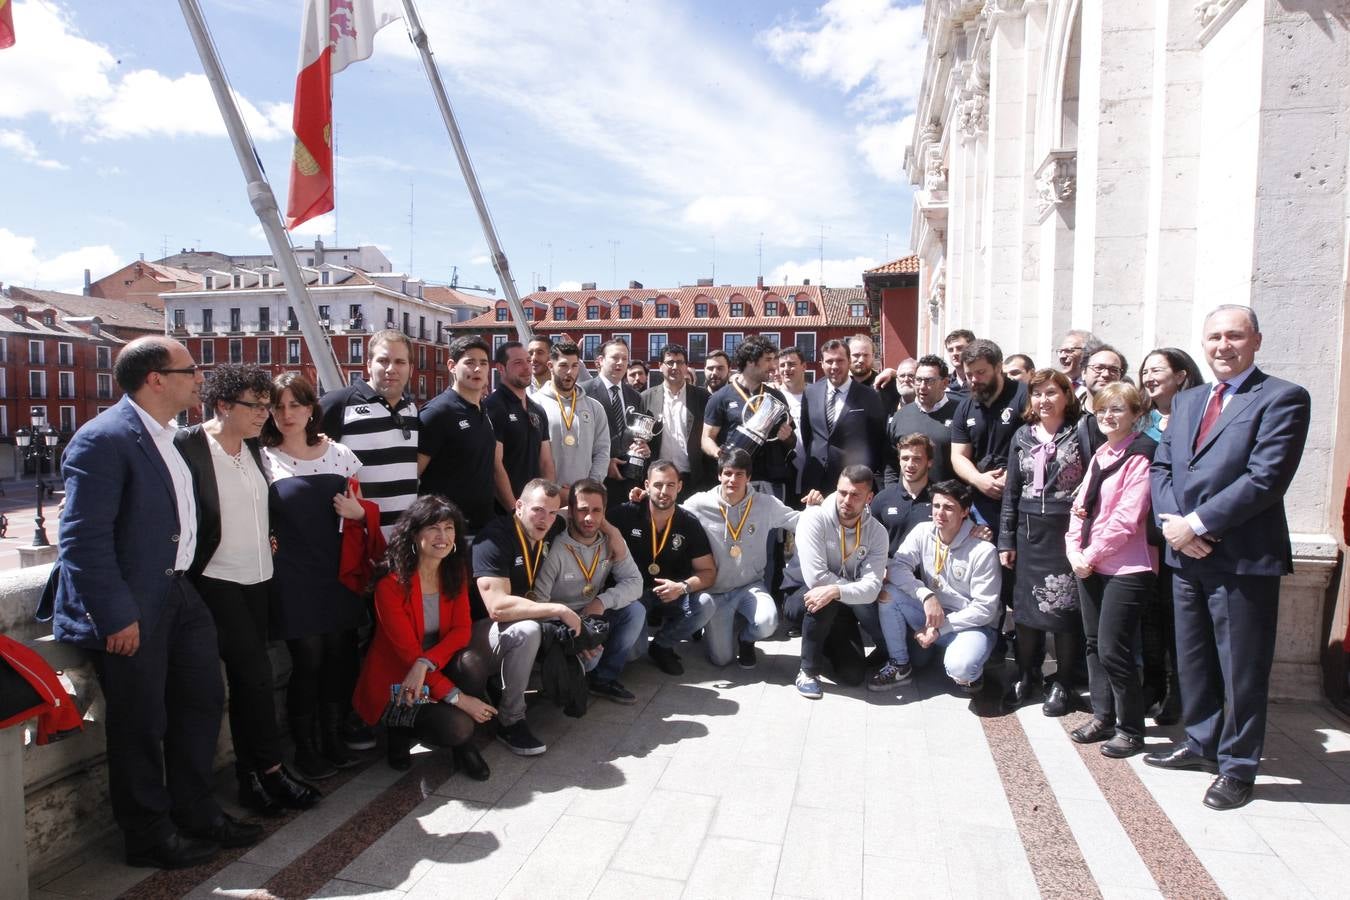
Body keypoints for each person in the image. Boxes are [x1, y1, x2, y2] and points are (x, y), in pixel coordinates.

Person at [50, 337, 261, 869]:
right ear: (156, 379)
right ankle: (147, 835)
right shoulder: (103, 439)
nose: (199, 378)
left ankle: (196, 811)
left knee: (202, 702)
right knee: (141, 722)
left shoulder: (168, 436)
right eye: (189, 369)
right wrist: (116, 614)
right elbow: (81, 538)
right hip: (131, 602)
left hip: (180, 592)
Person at [1147, 304, 1311, 811]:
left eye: (1235, 336)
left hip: (1242, 559)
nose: (1224, 346)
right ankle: (1201, 743)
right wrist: (1174, 527)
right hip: (1185, 556)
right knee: (1194, 660)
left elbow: (1264, 478)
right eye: (1215, 336)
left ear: (1256, 341)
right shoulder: (1190, 398)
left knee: (1241, 667)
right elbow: (1161, 468)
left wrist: (1196, 525)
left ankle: (1239, 766)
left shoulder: (1283, 398)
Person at [175, 365, 321, 816]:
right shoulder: (188, 447)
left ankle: (255, 775)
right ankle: (266, 772)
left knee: (249, 679)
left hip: (259, 577)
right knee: (255, 675)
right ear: (222, 405)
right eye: (256, 406)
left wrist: (271, 532)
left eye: (267, 405)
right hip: (215, 579)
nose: (266, 414)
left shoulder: (255, 446)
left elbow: (263, 501)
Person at [260, 372, 370, 779]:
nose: (287, 414)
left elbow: (361, 508)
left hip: (338, 571)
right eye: (278, 406)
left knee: (340, 658)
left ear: (311, 409)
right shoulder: (262, 457)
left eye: (295, 405)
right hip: (291, 576)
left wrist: (357, 514)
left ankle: (333, 738)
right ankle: (305, 748)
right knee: (307, 660)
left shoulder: (339, 453)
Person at [352, 496, 496, 778]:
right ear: (414, 534)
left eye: (449, 528)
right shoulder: (391, 584)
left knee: (472, 662)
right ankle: (399, 729)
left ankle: (464, 749)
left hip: (430, 666)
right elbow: (407, 656)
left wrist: (426, 662)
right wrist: (461, 699)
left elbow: (461, 630)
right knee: (459, 726)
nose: (442, 536)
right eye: (433, 528)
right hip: (400, 680)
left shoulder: (453, 572)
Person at [1066, 382, 1159, 759]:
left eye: (1118, 409)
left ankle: (1131, 729)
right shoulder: (1102, 453)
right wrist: (1074, 549)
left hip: (1128, 566)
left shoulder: (1141, 455)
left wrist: (1091, 554)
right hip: (1089, 562)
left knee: (1114, 649)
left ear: (1137, 415)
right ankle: (1103, 716)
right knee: (1092, 645)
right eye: (1103, 409)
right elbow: (1080, 509)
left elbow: (1125, 519)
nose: (1108, 416)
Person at [998, 369, 1088, 716]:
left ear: (1066, 395)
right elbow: (1011, 491)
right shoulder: (1022, 436)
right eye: (1037, 393)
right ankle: (1027, 674)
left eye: (1051, 392)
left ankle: (1063, 681)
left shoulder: (1080, 432)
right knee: (1025, 611)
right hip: (1028, 530)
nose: (1044, 400)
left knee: (1063, 611)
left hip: (1065, 532)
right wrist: (1007, 537)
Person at [684, 448, 811, 667]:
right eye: (727, 473)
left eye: (739, 474)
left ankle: (745, 639)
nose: (732, 479)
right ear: (719, 475)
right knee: (721, 660)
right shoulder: (699, 504)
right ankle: (710, 624)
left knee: (768, 622)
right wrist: (644, 498)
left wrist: (820, 507)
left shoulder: (765, 504)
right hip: (714, 591)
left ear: (749, 477)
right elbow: (670, 518)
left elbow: (800, 521)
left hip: (749, 586)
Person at [472, 479, 567, 756]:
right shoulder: (495, 538)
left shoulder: (551, 525)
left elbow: (580, 514)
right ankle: (510, 721)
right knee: (528, 630)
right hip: (474, 636)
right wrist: (559, 610)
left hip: (512, 626)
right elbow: (497, 607)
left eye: (552, 513)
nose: (545, 520)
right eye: (538, 510)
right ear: (519, 506)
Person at [1136, 346, 1205, 724]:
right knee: (1150, 613)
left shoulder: (1197, 415)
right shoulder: (1141, 419)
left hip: (1183, 529)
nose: (1149, 377)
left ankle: (1180, 692)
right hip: (1143, 529)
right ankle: (1153, 684)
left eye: (1157, 370)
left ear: (1181, 375)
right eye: (1145, 371)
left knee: (1178, 615)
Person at [882, 480, 1002, 694]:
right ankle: (901, 664)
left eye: (948, 507)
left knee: (961, 668)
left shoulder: (983, 550)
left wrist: (939, 629)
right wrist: (926, 595)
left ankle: (974, 670)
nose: (940, 513)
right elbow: (898, 566)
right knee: (888, 594)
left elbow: (985, 609)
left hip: (971, 625)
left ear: (965, 512)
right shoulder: (923, 532)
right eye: (936, 506)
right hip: (933, 614)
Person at [533, 479, 645, 703]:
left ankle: (603, 679)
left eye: (596, 511)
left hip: (593, 613)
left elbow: (635, 582)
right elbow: (538, 604)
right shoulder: (554, 548)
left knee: (636, 611)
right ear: (570, 511)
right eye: (583, 510)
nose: (589, 518)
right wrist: (574, 631)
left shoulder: (611, 540)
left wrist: (602, 602)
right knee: (590, 659)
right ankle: (572, 671)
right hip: (560, 621)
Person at [784, 466, 890, 698]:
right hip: (801, 596)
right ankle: (807, 671)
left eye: (855, 495)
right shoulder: (814, 518)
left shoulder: (877, 533)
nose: (846, 500)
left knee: (852, 676)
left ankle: (822, 642)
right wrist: (849, 589)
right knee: (824, 595)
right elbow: (816, 578)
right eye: (842, 492)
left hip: (840, 602)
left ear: (869, 498)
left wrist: (839, 590)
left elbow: (872, 588)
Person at [608, 461, 717, 676]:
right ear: (647, 485)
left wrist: (682, 587)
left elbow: (708, 572)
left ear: (680, 487)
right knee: (632, 653)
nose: (664, 491)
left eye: (670, 485)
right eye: (658, 485)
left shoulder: (689, 523)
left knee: (705, 604)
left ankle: (662, 646)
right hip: (633, 597)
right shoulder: (625, 514)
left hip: (671, 595)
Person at [319, 329, 420, 539]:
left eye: (400, 362)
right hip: (358, 537)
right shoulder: (338, 403)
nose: (391, 369)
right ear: (368, 365)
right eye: (383, 360)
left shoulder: (411, 409)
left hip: (404, 537)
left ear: (411, 369)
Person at [418, 335, 497, 533]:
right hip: (446, 531)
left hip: (484, 525)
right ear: (452, 366)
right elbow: (413, 474)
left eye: (483, 363)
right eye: (469, 362)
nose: (477, 369)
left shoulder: (483, 409)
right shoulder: (437, 412)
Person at [949, 339, 1029, 535]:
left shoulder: (1025, 397)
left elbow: (1041, 443)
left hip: (1022, 500)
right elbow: (958, 455)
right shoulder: (965, 407)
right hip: (981, 502)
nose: (974, 379)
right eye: (969, 374)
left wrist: (1012, 477)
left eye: (981, 372)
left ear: (998, 367)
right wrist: (977, 479)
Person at [702, 335, 796, 500]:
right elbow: (706, 438)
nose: (773, 366)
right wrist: (719, 454)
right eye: (768, 360)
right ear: (751, 361)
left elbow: (791, 442)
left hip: (771, 480)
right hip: (736, 480)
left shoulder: (776, 397)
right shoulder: (720, 398)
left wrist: (787, 437)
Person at [800, 339, 887, 495]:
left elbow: (877, 441)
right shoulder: (810, 392)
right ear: (822, 364)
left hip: (852, 483)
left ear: (849, 362)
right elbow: (807, 435)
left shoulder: (869, 396)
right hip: (815, 481)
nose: (834, 366)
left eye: (840, 360)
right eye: (829, 361)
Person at [484, 340, 557, 510]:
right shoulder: (493, 407)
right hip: (505, 512)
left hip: (535, 511)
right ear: (501, 368)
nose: (526, 367)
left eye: (528, 361)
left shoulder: (537, 410)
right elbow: (495, 467)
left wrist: (548, 506)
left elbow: (546, 463)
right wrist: (515, 512)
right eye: (518, 363)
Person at [535, 340, 610, 499]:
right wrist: (553, 490)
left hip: (584, 498)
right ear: (550, 366)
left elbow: (602, 451)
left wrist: (589, 486)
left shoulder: (595, 408)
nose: (569, 371)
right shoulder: (534, 404)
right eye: (563, 366)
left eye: (574, 366)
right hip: (546, 498)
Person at [583, 338, 648, 508]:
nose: (620, 363)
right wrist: (604, 462)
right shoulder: (584, 391)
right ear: (600, 361)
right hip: (594, 480)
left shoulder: (635, 396)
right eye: (615, 357)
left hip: (627, 479)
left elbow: (637, 435)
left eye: (625, 359)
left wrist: (642, 448)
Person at [641, 343, 712, 498]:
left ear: (686, 366)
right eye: (670, 362)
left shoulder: (703, 398)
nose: (675, 367)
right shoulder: (646, 398)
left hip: (693, 479)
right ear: (660, 366)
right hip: (659, 481)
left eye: (680, 362)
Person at [886, 354, 960, 485]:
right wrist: (894, 493)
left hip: (947, 500)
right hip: (909, 500)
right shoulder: (900, 416)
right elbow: (891, 464)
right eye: (918, 380)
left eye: (929, 381)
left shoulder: (960, 412)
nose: (922, 386)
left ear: (945, 383)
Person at [871, 433, 936, 555]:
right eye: (905, 458)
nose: (910, 464)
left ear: (929, 462)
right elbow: (868, 540)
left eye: (917, 459)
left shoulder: (941, 500)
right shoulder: (882, 500)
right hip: (890, 571)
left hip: (931, 572)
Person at [1139, 347, 1205, 441]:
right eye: (1144, 373)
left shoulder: (1201, 416)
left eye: (1156, 371)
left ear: (1180, 377)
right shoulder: (1137, 418)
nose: (1148, 379)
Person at [1078, 345, 1127, 455]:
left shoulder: (1131, 418)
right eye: (1098, 368)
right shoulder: (1068, 414)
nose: (1105, 374)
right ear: (1083, 373)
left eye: (1113, 370)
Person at [776, 346, 809, 497]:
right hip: (783, 473)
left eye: (791, 364)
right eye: (782, 365)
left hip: (812, 472)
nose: (786, 369)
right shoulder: (773, 397)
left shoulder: (818, 395)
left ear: (804, 367)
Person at [847, 334, 902, 417]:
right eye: (856, 355)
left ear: (873, 357)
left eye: (866, 355)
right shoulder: (841, 386)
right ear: (848, 356)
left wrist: (895, 373)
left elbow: (915, 384)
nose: (861, 360)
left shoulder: (886, 383)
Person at [1056, 329, 1096, 398]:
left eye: (1068, 351)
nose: (1062, 356)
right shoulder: (1055, 384)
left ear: (1086, 353)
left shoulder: (1096, 385)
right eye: (1061, 351)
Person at [944, 329, 975, 394]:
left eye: (960, 348)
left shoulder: (979, 382)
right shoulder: (943, 384)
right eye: (950, 350)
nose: (954, 353)